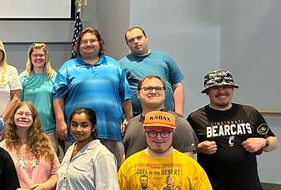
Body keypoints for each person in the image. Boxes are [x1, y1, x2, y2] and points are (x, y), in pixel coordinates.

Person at [53, 27, 133, 165]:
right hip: (78, 133)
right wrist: (60, 121)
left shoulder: (114, 65)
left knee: (112, 175)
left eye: (92, 40)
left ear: (100, 43)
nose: (88, 44)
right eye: (84, 41)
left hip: (111, 131)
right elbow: (57, 96)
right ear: (78, 46)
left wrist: (129, 119)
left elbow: (125, 95)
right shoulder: (68, 67)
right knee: (77, 174)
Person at [123, 75, 197, 159]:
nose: (154, 92)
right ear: (138, 94)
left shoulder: (178, 122)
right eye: (148, 88)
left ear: (164, 93)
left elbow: (187, 161)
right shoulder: (131, 124)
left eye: (158, 88)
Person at [119, 27, 185, 116]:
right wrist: (126, 117)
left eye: (139, 37)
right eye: (131, 40)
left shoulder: (165, 58)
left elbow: (177, 86)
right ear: (127, 44)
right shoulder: (121, 65)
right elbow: (121, 93)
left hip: (168, 116)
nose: (136, 42)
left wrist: (179, 114)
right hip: (138, 119)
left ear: (146, 38)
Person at [19, 43, 59, 150]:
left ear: (46, 57)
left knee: (50, 163)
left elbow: (59, 103)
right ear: (30, 57)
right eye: (35, 55)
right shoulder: (23, 77)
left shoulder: (54, 77)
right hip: (27, 130)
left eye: (41, 55)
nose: (38, 58)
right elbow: (18, 104)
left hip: (49, 130)